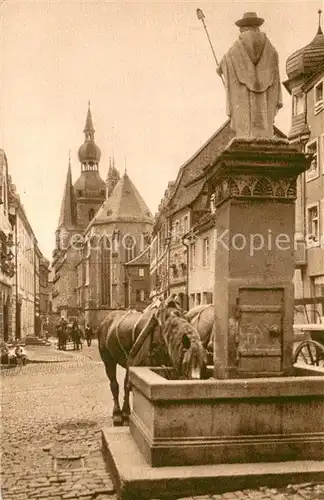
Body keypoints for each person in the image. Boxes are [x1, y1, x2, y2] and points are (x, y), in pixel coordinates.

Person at [217, 12, 283, 138]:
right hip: (265, 95)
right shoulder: (270, 48)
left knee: (245, 121)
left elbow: (226, 61)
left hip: (244, 95)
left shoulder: (237, 47)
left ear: (244, 27)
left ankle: (247, 136)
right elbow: (274, 63)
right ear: (257, 26)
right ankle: (263, 135)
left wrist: (220, 68)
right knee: (263, 117)